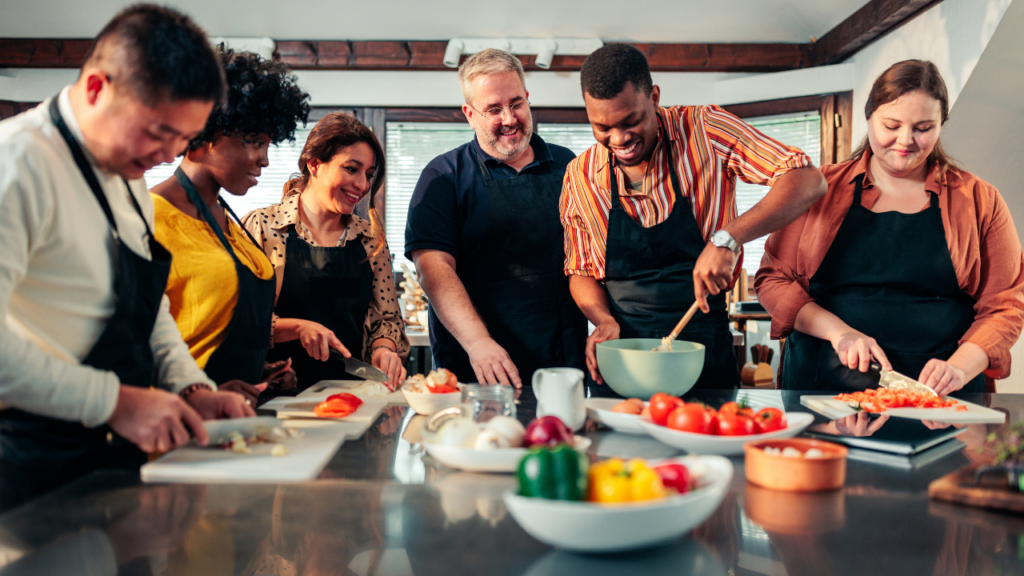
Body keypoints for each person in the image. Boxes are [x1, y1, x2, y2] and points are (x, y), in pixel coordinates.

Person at [0, 4, 254, 510]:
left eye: (183, 139)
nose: (166, 155)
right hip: (31, 463)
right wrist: (113, 402)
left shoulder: (130, 175)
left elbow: (146, 306)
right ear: (97, 87)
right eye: (157, 132)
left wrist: (189, 389)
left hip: (116, 456)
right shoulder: (19, 163)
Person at [561, 44, 827, 394]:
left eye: (631, 121)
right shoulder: (580, 175)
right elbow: (581, 269)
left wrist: (728, 237)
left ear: (654, 97)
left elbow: (808, 179)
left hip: (704, 352)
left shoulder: (706, 129)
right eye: (603, 127)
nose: (619, 139)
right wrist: (602, 319)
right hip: (623, 359)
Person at [755, 60, 1024, 396]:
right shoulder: (817, 189)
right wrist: (839, 333)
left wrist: (960, 367)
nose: (905, 140)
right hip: (823, 385)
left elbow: (1005, 304)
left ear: (941, 124)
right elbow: (772, 280)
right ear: (868, 118)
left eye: (923, 127)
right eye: (891, 125)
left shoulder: (979, 199)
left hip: (942, 394)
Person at [405, 48, 588, 388]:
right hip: (477, 365)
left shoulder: (569, 167)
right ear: (469, 114)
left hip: (562, 362)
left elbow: (590, 256)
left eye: (516, 103)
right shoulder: (443, 177)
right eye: (493, 109)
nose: (509, 118)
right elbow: (433, 269)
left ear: (528, 99)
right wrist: (478, 343)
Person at [150, 47, 310, 406]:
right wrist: (198, 393)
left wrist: (257, 372)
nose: (265, 160)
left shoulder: (230, 221)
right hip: (179, 425)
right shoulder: (150, 217)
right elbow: (135, 342)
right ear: (207, 132)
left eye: (268, 144)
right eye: (254, 141)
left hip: (232, 421)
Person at [243, 112, 409, 391]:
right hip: (279, 396)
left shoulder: (371, 239)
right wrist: (298, 327)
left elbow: (386, 318)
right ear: (315, 164)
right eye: (351, 169)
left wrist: (384, 348)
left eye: (369, 175)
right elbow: (242, 320)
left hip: (356, 396)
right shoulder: (263, 228)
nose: (363, 185)